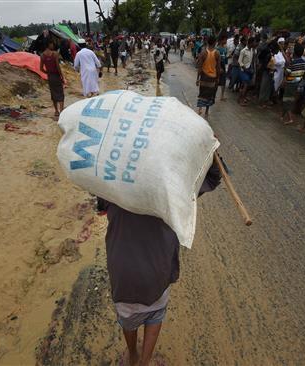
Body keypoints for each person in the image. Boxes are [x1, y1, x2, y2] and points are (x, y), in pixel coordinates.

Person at [97, 161, 221, 366]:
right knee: (155, 313)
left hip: (123, 271)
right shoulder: (173, 188)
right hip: (158, 268)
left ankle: (133, 355)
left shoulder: (112, 182)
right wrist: (211, 151)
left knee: (128, 317)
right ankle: (145, 361)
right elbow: (212, 177)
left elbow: (99, 202)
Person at [282, 43, 305, 124]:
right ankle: (282, 115)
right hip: (299, 83)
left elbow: (287, 73)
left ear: (295, 53)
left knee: (287, 100)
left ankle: (290, 118)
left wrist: (285, 68)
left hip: (291, 83)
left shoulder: (293, 62)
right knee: (291, 100)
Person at [196, 36, 221, 119]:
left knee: (202, 93)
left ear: (207, 42)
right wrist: (218, 78)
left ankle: (200, 109)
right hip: (212, 78)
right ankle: (206, 111)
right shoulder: (217, 53)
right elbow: (218, 68)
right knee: (210, 95)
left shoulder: (203, 53)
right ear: (214, 42)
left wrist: (197, 78)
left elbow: (199, 67)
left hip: (204, 77)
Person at [40, 40, 66, 117]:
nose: (53, 45)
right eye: (52, 43)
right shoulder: (55, 54)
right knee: (60, 93)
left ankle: (56, 111)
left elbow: (41, 68)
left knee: (53, 93)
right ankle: (61, 110)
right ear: (49, 44)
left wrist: (47, 73)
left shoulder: (42, 55)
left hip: (50, 77)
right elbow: (58, 67)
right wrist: (62, 76)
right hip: (56, 76)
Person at [237, 37, 257, 105]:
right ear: (251, 43)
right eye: (254, 42)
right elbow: (239, 61)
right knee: (245, 85)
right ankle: (241, 100)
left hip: (249, 70)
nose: (255, 43)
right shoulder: (243, 51)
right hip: (243, 71)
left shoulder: (252, 50)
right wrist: (245, 68)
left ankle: (242, 97)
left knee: (247, 85)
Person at [216, 35, 228, 101]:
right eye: (225, 40)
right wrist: (219, 67)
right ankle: (213, 94)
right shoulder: (217, 49)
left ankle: (222, 96)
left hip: (223, 66)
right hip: (218, 66)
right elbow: (216, 59)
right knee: (216, 81)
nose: (226, 41)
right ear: (221, 40)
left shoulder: (225, 48)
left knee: (223, 81)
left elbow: (225, 58)